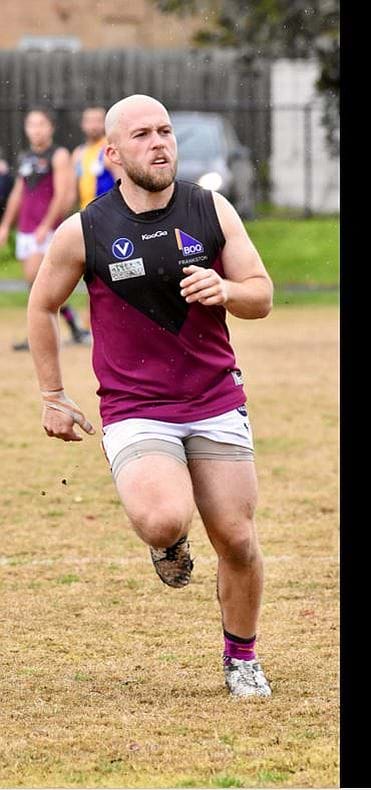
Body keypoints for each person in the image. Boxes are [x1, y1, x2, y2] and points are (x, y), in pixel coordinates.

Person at [27, 94, 275, 698]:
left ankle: (240, 658)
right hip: (136, 408)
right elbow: (41, 305)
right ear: (112, 153)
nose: (159, 143)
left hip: (214, 399)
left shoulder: (209, 209)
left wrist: (225, 288)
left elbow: (262, 294)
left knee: (238, 540)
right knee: (164, 516)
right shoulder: (84, 229)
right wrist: (53, 395)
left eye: (165, 132)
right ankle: (169, 543)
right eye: (142, 135)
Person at [0, 108, 89, 349]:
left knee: (37, 282)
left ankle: (40, 336)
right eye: (31, 124)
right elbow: (19, 193)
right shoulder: (26, 157)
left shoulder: (58, 155)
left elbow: (62, 196)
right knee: (38, 287)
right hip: (26, 229)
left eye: (41, 124)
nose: (36, 129)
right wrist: (6, 225)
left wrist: (46, 225)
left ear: (50, 128)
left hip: (45, 230)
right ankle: (72, 328)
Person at [72, 105, 121, 210]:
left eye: (98, 121)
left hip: (108, 211)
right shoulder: (78, 153)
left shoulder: (110, 150)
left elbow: (123, 185)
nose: (93, 126)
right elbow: (73, 191)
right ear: (82, 124)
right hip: (86, 212)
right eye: (89, 121)